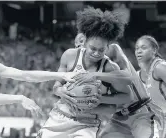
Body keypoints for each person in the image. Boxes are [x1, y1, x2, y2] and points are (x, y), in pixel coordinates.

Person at [36, 7, 134, 138]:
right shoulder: (70, 56)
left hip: (86, 124)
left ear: (107, 47)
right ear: (84, 42)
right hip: (59, 118)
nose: (96, 53)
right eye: (93, 48)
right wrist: (60, 91)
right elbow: (56, 87)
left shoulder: (109, 67)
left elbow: (128, 96)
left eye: (101, 50)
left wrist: (100, 99)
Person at [135, 35, 166, 138]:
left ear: (154, 50)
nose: (139, 51)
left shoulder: (160, 67)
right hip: (158, 122)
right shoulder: (137, 76)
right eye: (137, 48)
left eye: (143, 48)